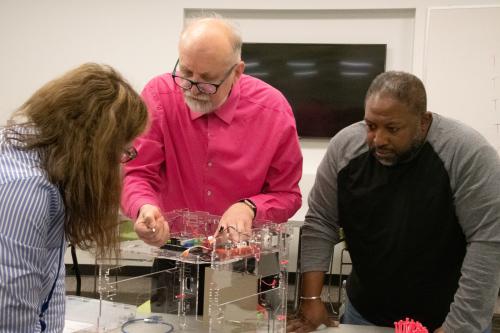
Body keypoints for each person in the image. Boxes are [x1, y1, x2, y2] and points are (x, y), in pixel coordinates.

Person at [288, 71, 500, 333]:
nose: (378, 140)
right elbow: (321, 221)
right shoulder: (345, 148)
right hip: (364, 314)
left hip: (448, 316)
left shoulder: (466, 153)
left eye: (393, 129)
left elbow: (488, 241)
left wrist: (458, 327)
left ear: (423, 122)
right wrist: (311, 300)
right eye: (371, 126)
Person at [121, 15, 302, 246]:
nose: (193, 89)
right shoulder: (159, 96)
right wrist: (144, 207)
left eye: (207, 81)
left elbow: (288, 195)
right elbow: (137, 173)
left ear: (237, 72)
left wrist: (249, 208)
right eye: (186, 73)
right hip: (176, 249)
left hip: (243, 251)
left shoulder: (273, 111)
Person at [0, 63, 148, 332]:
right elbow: (11, 314)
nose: (120, 161)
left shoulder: (49, 169)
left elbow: (50, 285)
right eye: (121, 149)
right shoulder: (27, 187)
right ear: (92, 143)